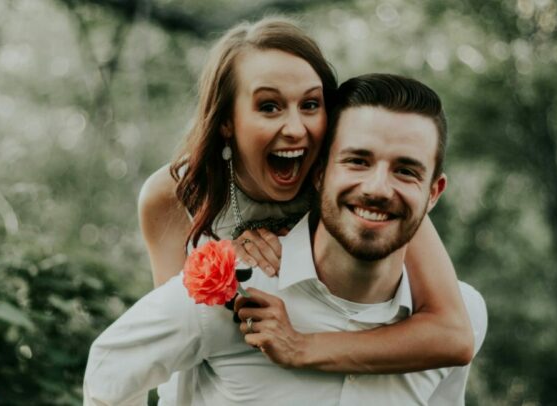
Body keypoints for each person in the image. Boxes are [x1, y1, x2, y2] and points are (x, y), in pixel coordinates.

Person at [85, 73, 488, 405]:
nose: (378, 187)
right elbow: (108, 375)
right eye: (357, 161)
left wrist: (303, 347)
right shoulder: (230, 294)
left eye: (406, 171)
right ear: (318, 173)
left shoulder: (462, 314)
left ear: (434, 192)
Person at [138, 17, 472, 385]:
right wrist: (230, 264)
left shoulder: (362, 191)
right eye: (269, 107)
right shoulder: (171, 196)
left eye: (311, 104)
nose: (296, 129)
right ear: (226, 120)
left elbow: (453, 333)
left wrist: (302, 346)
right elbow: (173, 346)